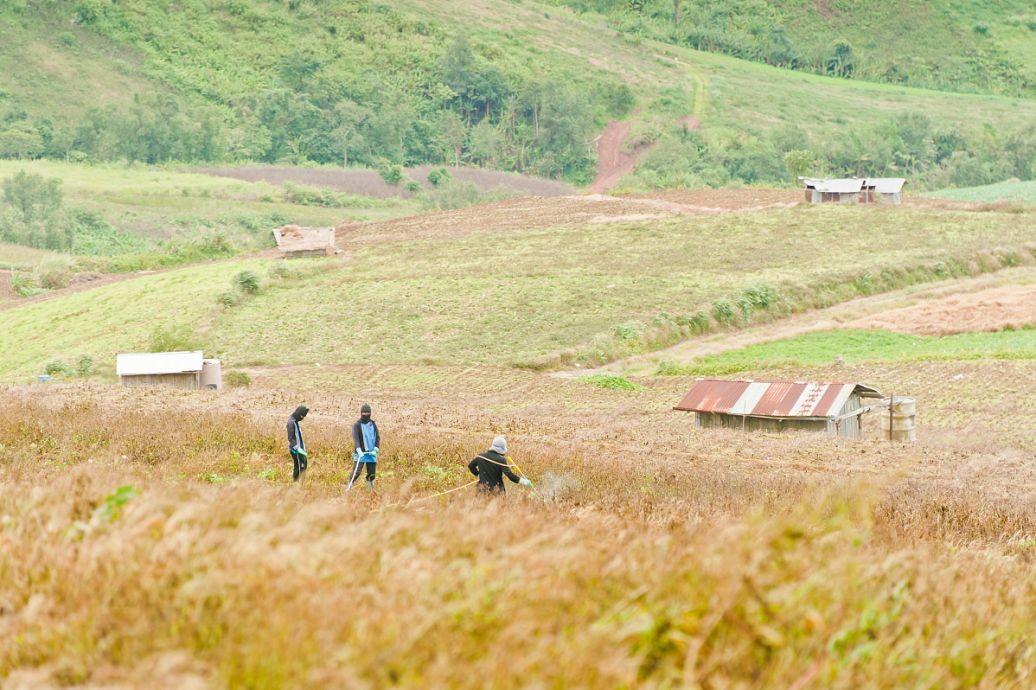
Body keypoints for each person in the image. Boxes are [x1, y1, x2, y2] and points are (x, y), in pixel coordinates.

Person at [467, 435, 532, 494]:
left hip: (481, 491)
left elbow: (471, 466)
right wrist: (524, 482)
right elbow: (510, 475)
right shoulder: (501, 460)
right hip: (496, 492)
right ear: (502, 449)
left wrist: (478, 474)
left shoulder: (481, 456)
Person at [349, 403, 380, 489]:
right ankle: (349, 485)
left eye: (367, 413)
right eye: (364, 413)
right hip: (361, 453)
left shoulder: (373, 424)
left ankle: (370, 489)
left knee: (371, 473)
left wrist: (376, 449)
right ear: (361, 413)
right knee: (357, 472)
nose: (366, 415)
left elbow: (377, 437)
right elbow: (356, 439)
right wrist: (358, 450)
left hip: (371, 453)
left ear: (370, 413)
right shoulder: (357, 425)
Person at [286, 405, 309, 482]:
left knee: (303, 466)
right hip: (296, 450)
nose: (302, 418)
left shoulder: (295, 422)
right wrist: (298, 448)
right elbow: (290, 438)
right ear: (298, 414)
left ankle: (299, 483)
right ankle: (297, 484)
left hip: (300, 450)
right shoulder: (291, 423)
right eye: (302, 416)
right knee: (300, 467)